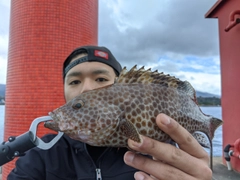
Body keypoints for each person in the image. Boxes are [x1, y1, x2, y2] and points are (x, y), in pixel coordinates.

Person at [8, 45, 212, 180]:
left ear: (117, 92)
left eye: (101, 79)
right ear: (63, 91)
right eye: (75, 81)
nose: (88, 89)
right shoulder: (41, 157)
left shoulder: (163, 156)